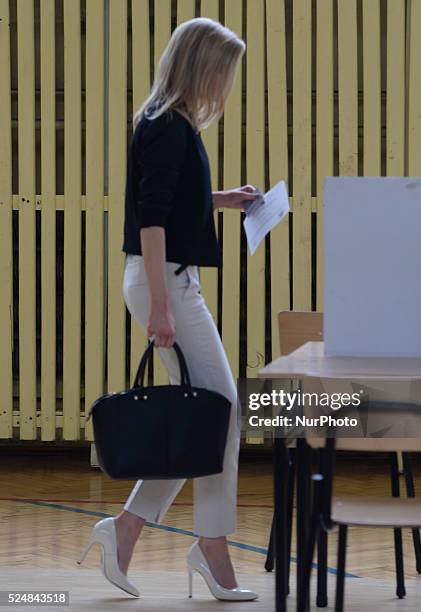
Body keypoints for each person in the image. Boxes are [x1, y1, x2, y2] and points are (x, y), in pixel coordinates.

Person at [78, 17, 259, 602]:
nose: (225, 84)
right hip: (168, 286)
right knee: (221, 411)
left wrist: (221, 200)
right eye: (223, 70)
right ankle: (209, 545)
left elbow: (167, 199)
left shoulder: (165, 122)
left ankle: (126, 531)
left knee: (201, 419)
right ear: (200, 66)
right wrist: (161, 306)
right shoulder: (167, 126)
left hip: (172, 283)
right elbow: (149, 220)